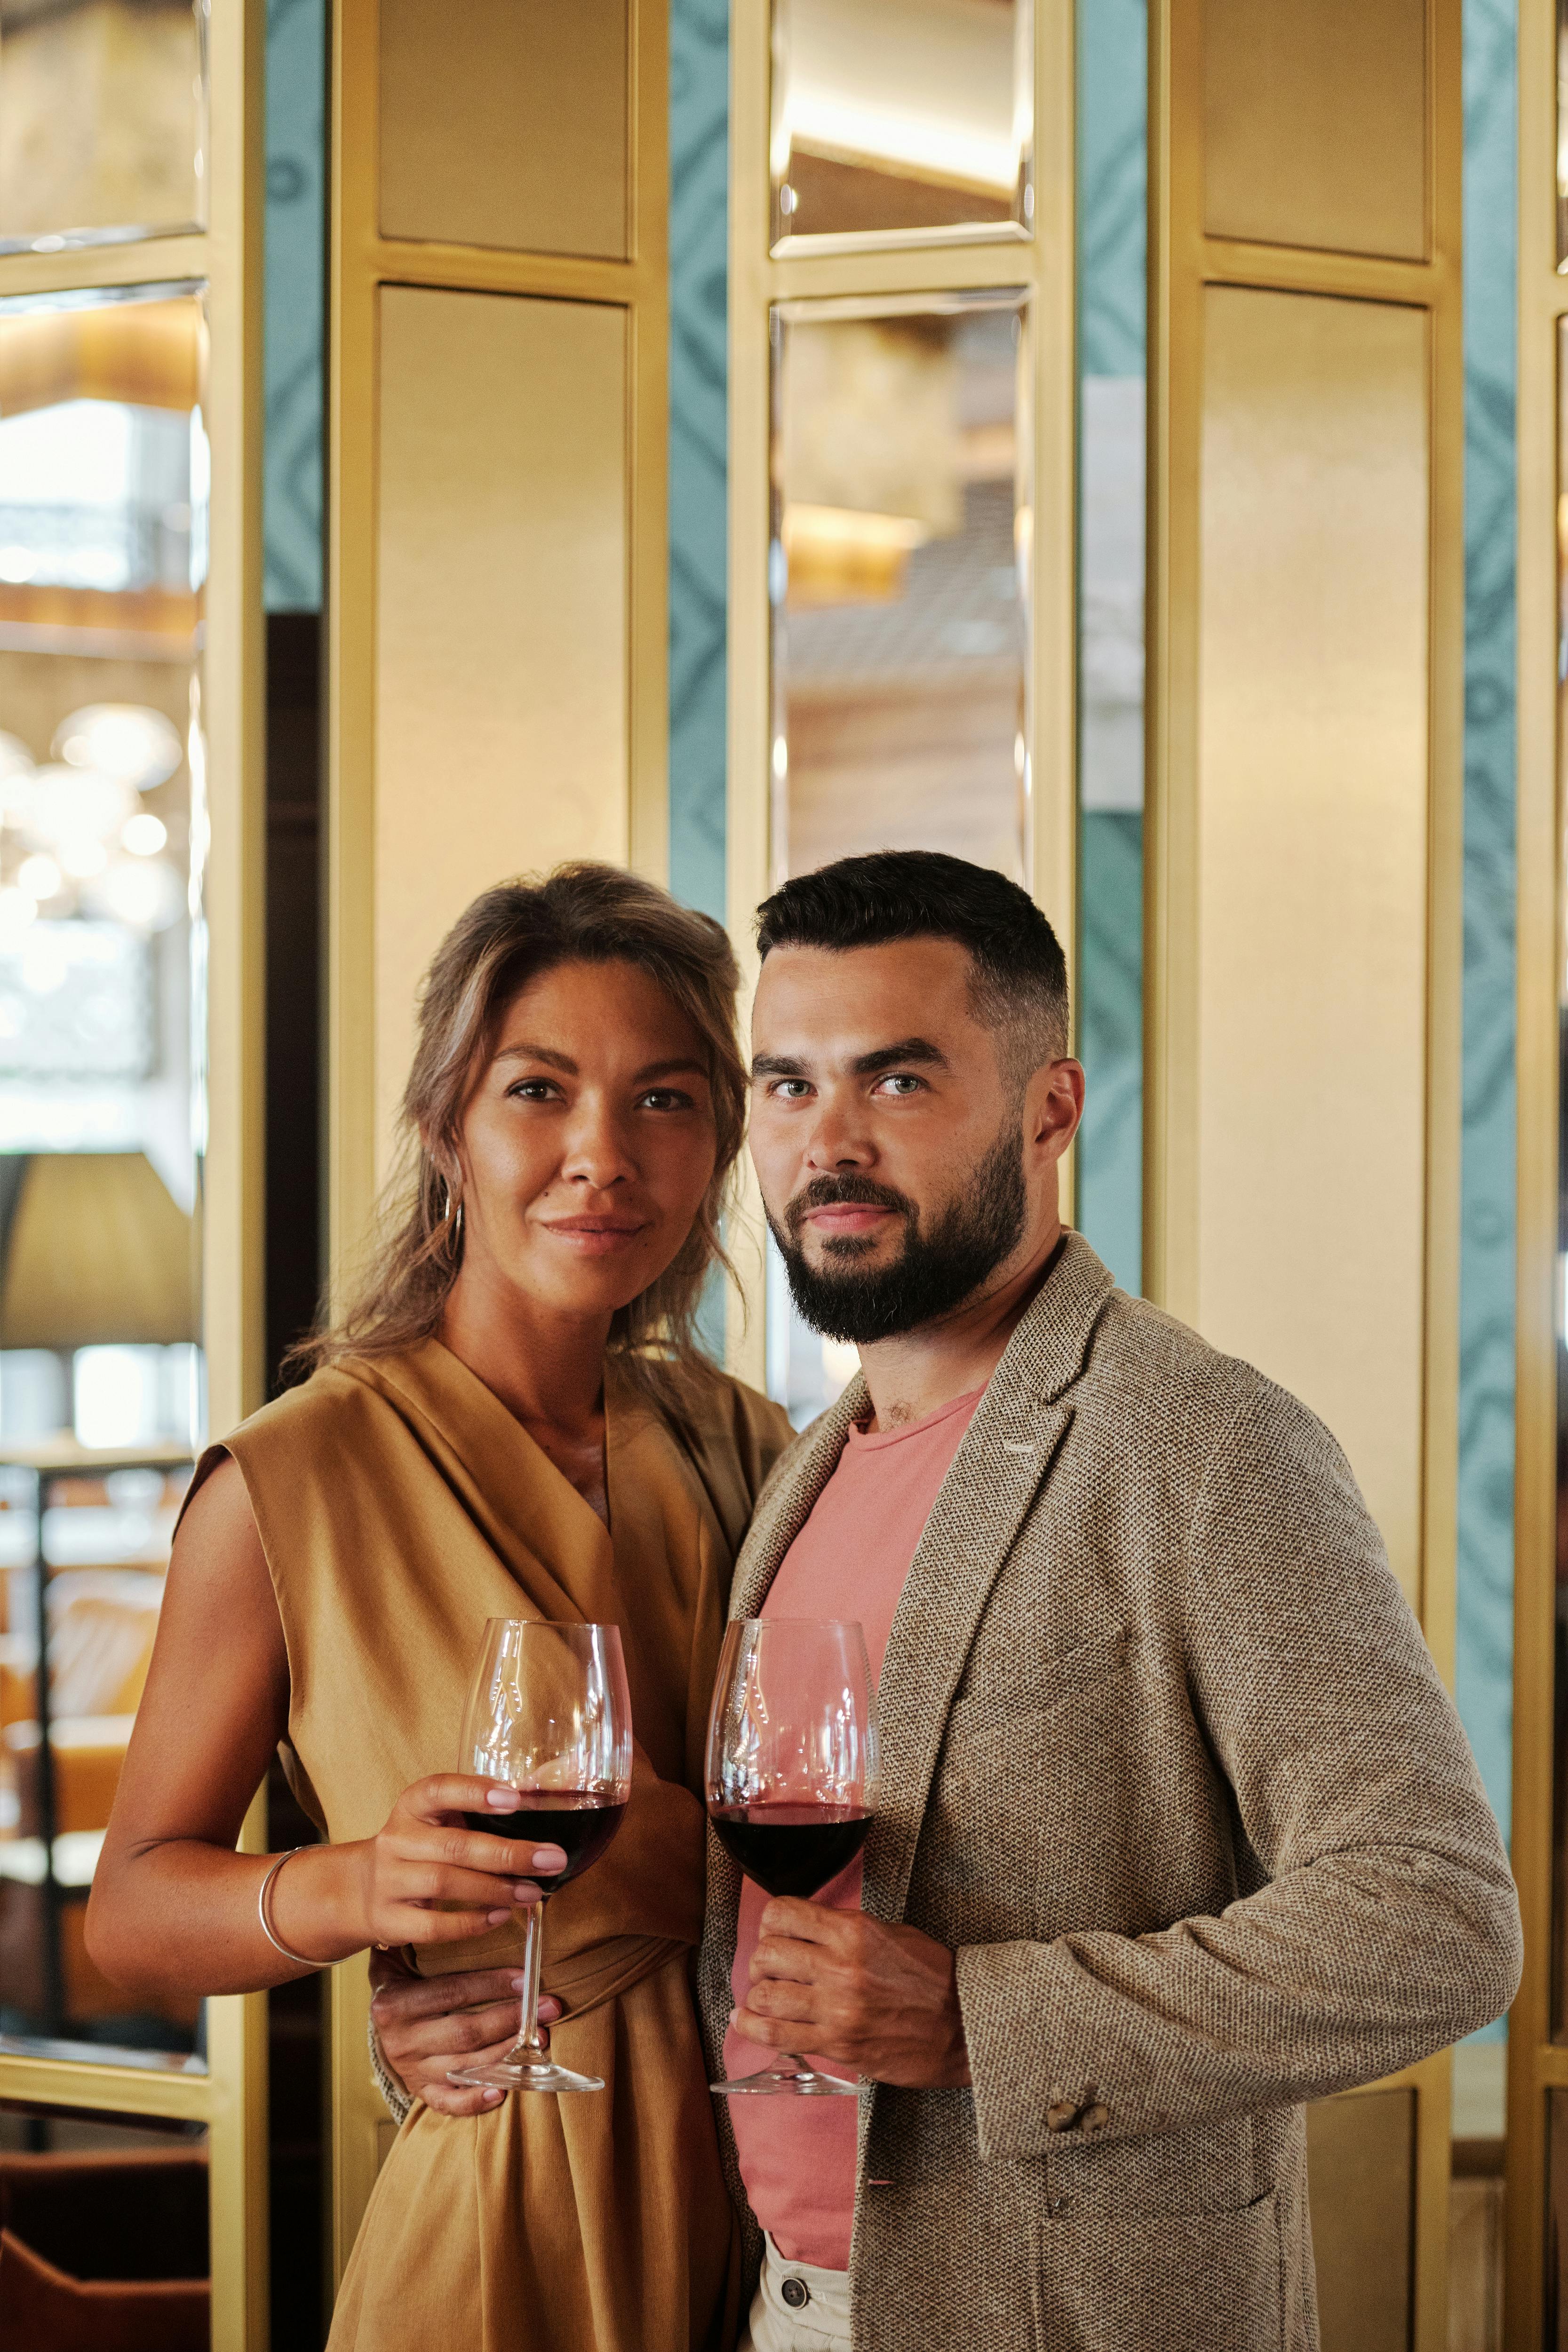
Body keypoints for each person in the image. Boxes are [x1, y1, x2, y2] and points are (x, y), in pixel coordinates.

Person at [369, 848, 1522, 2351]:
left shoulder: (1202, 1444)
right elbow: (750, 1915)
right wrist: (442, 2030)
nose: (826, 1145)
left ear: (1051, 1109)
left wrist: (983, 2019)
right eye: (785, 1087)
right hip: (768, 2298)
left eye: (897, 1084)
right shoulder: (801, 1465)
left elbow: (1434, 1921)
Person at [85, 864, 793, 2352]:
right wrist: (359, 1896)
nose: (602, 1154)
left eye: (665, 1100)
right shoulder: (291, 1481)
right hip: (500, 2222)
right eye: (539, 1090)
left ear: (719, 1144)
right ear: (446, 1130)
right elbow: (133, 1917)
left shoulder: (750, 1444)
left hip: (774, 2207)